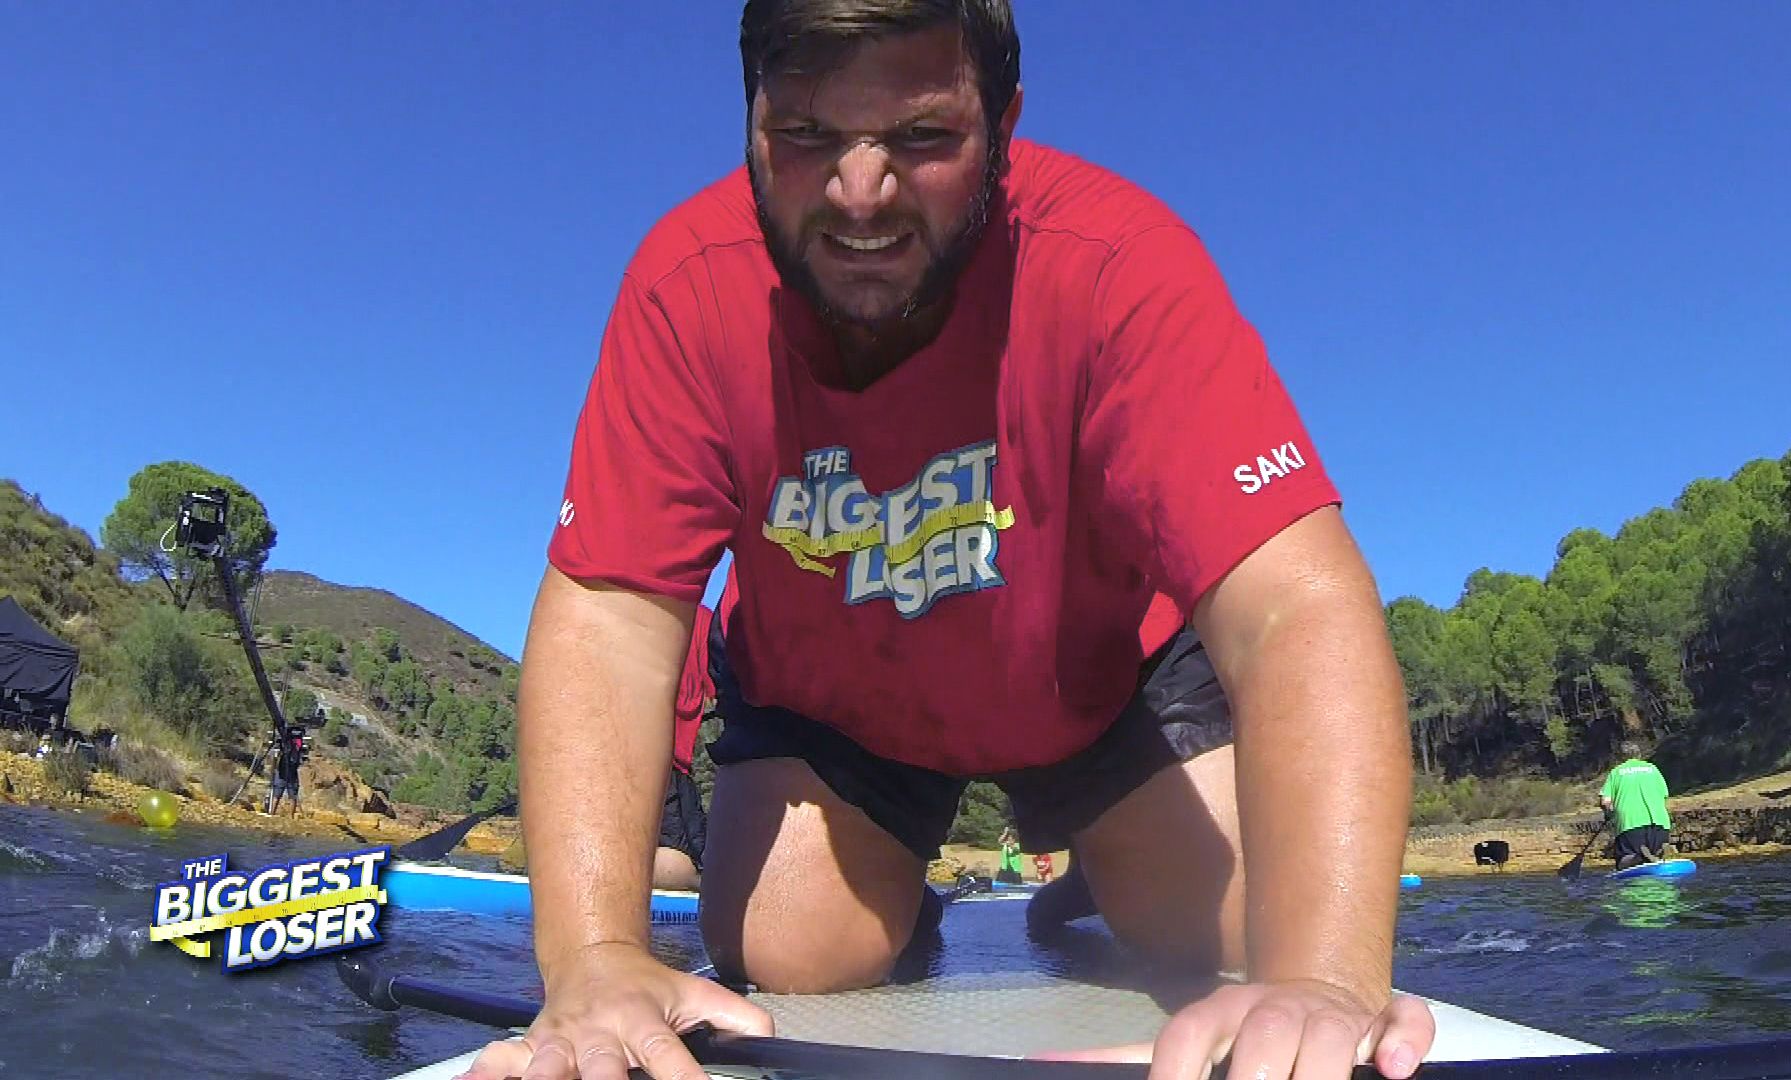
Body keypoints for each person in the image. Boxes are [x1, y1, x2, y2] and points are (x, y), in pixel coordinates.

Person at [471, 4, 1433, 1079]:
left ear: (1004, 126)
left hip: (1095, 678)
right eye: (805, 136)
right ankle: (902, 892)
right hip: (834, 703)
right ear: (748, 118)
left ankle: (1095, 871)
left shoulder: (1120, 261)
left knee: (1242, 933)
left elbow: (1297, 603)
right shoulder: (682, 285)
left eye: (923, 138)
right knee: (791, 950)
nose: (860, 196)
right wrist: (593, 958)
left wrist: (1326, 979)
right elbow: (607, 620)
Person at [655, 601, 721, 892]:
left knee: (693, 845)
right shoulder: (703, 619)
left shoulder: (622, 609)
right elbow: (720, 690)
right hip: (667, 761)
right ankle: (706, 893)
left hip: (666, 763)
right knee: (683, 851)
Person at [1601, 740, 1671, 869]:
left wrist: (1608, 814)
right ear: (1638, 754)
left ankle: (1640, 857)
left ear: (1621, 756)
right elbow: (1664, 795)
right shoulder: (1653, 769)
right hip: (1660, 823)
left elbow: (1605, 802)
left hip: (1630, 824)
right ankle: (1658, 851)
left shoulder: (1616, 773)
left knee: (1623, 862)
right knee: (1656, 857)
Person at [266, 724, 305, 817]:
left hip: (284, 771)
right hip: (290, 771)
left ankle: (273, 813)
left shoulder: (288, 742)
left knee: (278, 794)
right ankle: (289, 816)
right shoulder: (297, 743)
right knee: (290, 795)